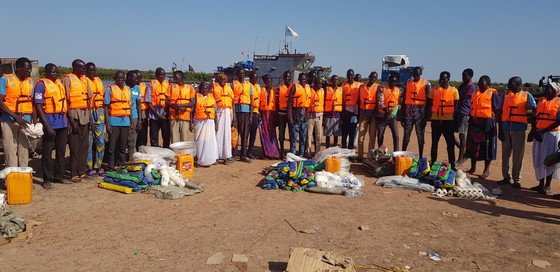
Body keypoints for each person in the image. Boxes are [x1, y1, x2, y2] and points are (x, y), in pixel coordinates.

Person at [33, 63, 71, 189]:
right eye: (52, 72)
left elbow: (64, 104)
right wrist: (47, 126)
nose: (55, 74)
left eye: (56, 71)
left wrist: (68, 122)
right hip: (49, 122)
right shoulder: (40, 85)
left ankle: (59, 176)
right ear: (46, 73)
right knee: (47, 152)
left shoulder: (59, 84)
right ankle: (47, 179)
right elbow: (38, 106)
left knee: (61, 151)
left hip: (62, 122)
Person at [497, 76, 536, 188]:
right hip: (505, 128)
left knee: (518, 156)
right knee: (505, 155)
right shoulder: (505, 95)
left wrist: (532, 130)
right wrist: (500, 129)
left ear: (518, 84)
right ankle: (506, 177)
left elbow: (532, 113)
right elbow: (500, 113)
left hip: (519, 129)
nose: (509, 85)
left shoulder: (527, 96)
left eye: (512, 83)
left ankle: (516, 179)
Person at [466, 75, 501, 179]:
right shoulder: (475, 93)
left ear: (488, 84)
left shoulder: (493, 94)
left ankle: (486, 170)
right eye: (479, 83)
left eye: (483, 83)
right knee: (473, 146)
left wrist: (496, 122)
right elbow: (471, 106)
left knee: (487, 147)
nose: (481, 85)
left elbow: (498, 109)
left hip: (487, 122)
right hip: (474, 122)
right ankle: (473, 168)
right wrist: (473, 117)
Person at [529, 82, 560, 195]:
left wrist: (542, 131)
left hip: (551, 134)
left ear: (555, 91)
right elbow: (535, 117)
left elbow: (558, 121)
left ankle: (547, 185)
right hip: (539, 133)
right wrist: (534, 131)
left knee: (549, 159)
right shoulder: (541, 101)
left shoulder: (559, 103)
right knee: (538, 158)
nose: (546, 91)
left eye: (548, 89)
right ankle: (540, 184)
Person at [62, 59, 90, 182]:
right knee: (74, 146)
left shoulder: (85, 80)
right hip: (73, 115)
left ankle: (82, 171)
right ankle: (73, 173)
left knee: (84, 145)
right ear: (74, 67)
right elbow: (65, 102)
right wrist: (70, 121)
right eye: (81, 68)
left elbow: (88, 97)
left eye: (84, 68)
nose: (84, 70)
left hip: (84, 115)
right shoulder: (67, 80)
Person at [427, 71, 459, 165]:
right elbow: (429, 103)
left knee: (450, 143)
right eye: (440, 79)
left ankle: (452, 163)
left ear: (448, 79)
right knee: (434, 143)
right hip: (436, 120)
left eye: (444, 79)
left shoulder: (454, 90)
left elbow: (456, 105)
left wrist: (454, 119)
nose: (441, 81)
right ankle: (433, 161)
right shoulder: (434, 89)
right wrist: (426, 117)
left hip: (448, 121)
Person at [104, 71, 131, 170]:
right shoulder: (109, 89)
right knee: (112, 147)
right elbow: (106, 107)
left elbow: (129, 106)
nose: (120, 80)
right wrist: (107, 124)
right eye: (118, 78)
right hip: (113, 122)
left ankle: (121, 165)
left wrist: (131, 122)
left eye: (122, 78)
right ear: (115, 78)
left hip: (125, 122)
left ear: (124, 79)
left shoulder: (127, 89)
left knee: (123, 146)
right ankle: (111, 166)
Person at [402, 67, 430, 157]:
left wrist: (425, 118)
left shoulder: (426, 84)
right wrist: (402, 116)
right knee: (406, 135)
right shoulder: (407, 83)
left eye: (417, 74)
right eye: (414, 74)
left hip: (420, 114)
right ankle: (403, 154)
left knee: (420, 136)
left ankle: (421, 157)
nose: (415, 76)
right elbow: (403, 100)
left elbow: (429, 101)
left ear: (421, 74)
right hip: (408, 113)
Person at [84, 62, 106, 177]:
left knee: (100, 141)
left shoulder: (98, 80)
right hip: (88, 112)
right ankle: (89, 167)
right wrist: (89, 118)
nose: (92, 73)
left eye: (93, 71)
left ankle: (99, 165)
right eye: (89, 71)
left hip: (99, 112)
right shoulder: (83, 81)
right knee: (88, 142)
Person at [192, 82, 219, 167]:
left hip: (210, 122)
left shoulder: (212, 98)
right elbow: (192, 111)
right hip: (199, 122)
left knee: (210, 140)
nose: (205, 89)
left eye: (206, 88)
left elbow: (215, 111)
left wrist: (216, 123)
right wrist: (190, 123)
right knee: (200, 141)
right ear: (200, 89)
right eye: (203, 88)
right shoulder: (196, 98)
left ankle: (211, 159)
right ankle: (200, 160)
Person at [212, 73, 235, 164]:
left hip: (227, 112)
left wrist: (233, 115)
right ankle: (216, 155)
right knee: (218, 133)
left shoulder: (229, 88)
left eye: (224, 79)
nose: (222, 81)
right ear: (217, 80)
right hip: (218, 111)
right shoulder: (213, 87)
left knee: (227, 134)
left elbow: (232, 102)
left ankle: (226, 155)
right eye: (221, 79)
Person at [232, 69, 254, 162]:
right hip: (236, 112)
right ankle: (233, 154)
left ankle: (243, 155)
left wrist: (251, 115)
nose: (241, 75)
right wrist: (233, 116)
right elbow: (232, 100)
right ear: (237, 75)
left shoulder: (249, 86)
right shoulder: (233, 84)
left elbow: (252, 101)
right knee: (235, 134)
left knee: (245, 135)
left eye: (243, 74)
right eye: (240, 73)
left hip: (246, 112)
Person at [357, 72, 379, 161]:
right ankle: (360, 156)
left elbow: (379, 102)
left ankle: (370, 156)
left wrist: (373, 114)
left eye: (374, 78)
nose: (372, 79)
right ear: (369, 77)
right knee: (361, 137)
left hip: (373, 116)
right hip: (363, 114)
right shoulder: (362, 87)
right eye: (371, 77)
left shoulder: (378, 87)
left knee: (372, 137)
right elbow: (358, 100)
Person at [167, 70, 195, 143]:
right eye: (174, 77)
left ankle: (183, 154)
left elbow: (192, 103)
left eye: (176, 77)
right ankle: (175, 154)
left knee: (184, 139)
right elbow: (166, 101)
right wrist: (176, 106)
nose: (174, 79)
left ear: (181, 77)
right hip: (173, 116)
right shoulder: (170, 87)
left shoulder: (190, 88)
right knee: (174, 138)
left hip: (185, 116)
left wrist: (179, 106)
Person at [455, 68, 476, 165]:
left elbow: (463, 99)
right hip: (458, 111)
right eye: (462, 75)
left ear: (470, 76)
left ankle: (460, 159)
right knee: (450, 134)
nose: (463, 77)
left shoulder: (471, 87)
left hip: (464, 112)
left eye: (465, 76)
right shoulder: (462, 86)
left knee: (462, 135)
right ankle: (465, 152)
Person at [376, 73, 401, 152]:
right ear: (388, 81)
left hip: (392, 116)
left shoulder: (398, 90)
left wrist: (396, 109)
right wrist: (385, 109)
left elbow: (399, 103)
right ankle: (381, 152)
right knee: (380, 136)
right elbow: (380, 103)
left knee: (396, 135)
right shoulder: (382, 89)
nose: (393, 84)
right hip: (382, 115)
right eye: (391, 82)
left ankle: (396, 153)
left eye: (394, 82)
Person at [287, 73, 310, 156]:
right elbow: (289, 103)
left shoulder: (308, 88)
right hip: (296, 114)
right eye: (301, 79)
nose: (303, 81)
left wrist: (307, 116)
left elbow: (308, 103)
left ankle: (301, 155)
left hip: (305, 114)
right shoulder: (294, 87)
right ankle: (293, 154)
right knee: (294, 136)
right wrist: (290, 117)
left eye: (304, 79)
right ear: (298, 79)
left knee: (303, 137)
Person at [146, 67, 170, 147]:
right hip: (154, 115)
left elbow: (170, 100)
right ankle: (155, 154)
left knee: (166, 136)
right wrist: (157, 115)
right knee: (154, 137)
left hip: (165, 115)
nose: (162, 77)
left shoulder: (168, 84)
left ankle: (165, 152)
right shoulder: (150, 84)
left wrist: (165, 113)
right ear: (156, 75)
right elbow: (148, 102)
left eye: (163, 75)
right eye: (160, 75)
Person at [259, 74, 280, 159]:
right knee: (264, 134)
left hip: (271, 114)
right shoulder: (261, 91)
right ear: (264, 82)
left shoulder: (274, 92)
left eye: (270, 82)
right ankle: (266, 153)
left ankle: (273, 153)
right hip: (263, 114)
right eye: (267, 82)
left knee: (272, 134)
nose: (269, 83)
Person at [341, 69, 361, 150]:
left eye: (352, 75)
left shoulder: (359, 85)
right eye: (349, 75)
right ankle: (343, 149)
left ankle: (350, 150)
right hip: (345, 112)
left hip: (354, 113)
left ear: (354, 76)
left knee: (352, 132)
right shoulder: (343, 85)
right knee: (344, 132)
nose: (350, 77)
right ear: (347, 76)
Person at [127, 70, 142, 160]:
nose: (137, 80)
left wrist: (139, 120)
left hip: (135, 117)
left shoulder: (137, 88)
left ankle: (130, 161)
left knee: (132, 140)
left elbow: (138, 105)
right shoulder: (122, 87)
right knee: (123, 140)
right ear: (129, 78)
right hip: (123, 117)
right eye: (135, 78)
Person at [307, 76, 324, 157]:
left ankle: (317, 153)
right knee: (309, 135)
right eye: (318, 84)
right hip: (310, 116)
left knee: (318, 135)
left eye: (321, 85)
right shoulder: (310, 91)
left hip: (319, 116)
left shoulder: (322, 91)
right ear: (315, 84)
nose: (320, 86)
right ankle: (308, 152)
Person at [324, 75, 342, 148]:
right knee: (328, 134)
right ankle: (327, 149)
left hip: (337, 115)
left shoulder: (341, 90)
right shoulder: (326, 89)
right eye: (334, 80)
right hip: (328, 115)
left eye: (337, 80)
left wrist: (342, 118)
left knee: (336, 134)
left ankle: (334, 149)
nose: (335, 81)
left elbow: (343, 103)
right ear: (331, 81)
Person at [276, 71, 292, 157]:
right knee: (281, 134)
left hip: (290, 114)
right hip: (281, 114)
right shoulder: (279, 88)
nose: (287, 79)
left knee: (291, 133)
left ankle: (290, 151)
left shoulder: (294, 87)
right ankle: (281, 151)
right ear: (283, 78)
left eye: (289, 77)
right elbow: (276, 101)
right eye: (285, 77)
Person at [248, 71, 261, 159]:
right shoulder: (247, 86)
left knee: (253, 134)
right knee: (246, 134)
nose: (255, 79)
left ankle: (250, 151)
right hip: (249, 113)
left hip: (256, 112)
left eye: (256, 78)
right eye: (253, 78)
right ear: (250, 78)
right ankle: (243, 152)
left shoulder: (258, 87)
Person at [135, 70, 149, 148]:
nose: (139, 80)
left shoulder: (144, 86)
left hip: (143, 111)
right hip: (134, 111)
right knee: (135, 131)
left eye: (140, 78)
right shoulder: (130, 87)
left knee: (143, 131)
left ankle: (143, 147)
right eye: (137, 78)